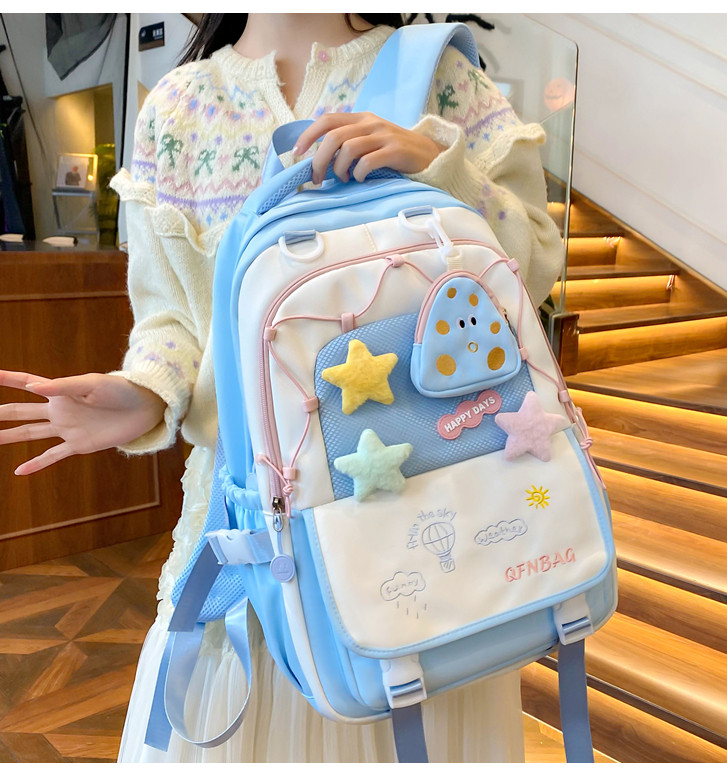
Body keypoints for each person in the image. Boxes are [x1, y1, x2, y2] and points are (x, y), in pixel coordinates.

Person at [0, 13, 564, 762]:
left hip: (428, 523)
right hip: (247, 534)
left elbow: (533, 264)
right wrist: (147, 392)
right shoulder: (176, 109)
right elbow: (175, 319)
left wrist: (439, 166)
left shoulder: (442, 75)